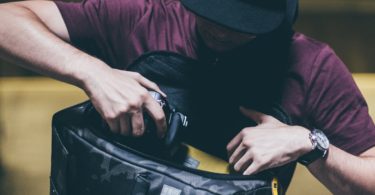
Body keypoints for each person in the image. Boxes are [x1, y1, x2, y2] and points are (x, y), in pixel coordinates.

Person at [0, 0, 375, 194]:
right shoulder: (145, 19)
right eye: (213, 12)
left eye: (241, 24)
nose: (222, 30)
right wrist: (91, 71)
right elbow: (7, 19)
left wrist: (310, 144)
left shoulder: (312, 66)